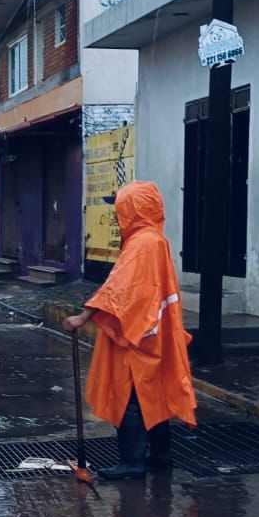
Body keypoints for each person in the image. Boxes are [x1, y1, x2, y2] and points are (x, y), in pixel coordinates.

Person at [62, 181, 197, 480]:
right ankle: (160, 455)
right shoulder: (156, 240)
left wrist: (83, 317)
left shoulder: (141, 244)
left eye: (120, 208)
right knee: (153, 392)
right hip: (156, 331)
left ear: (133, 209)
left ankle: (132, 463)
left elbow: (119, 289)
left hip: (138, 335)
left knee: (130, 395)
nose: (117, 215)